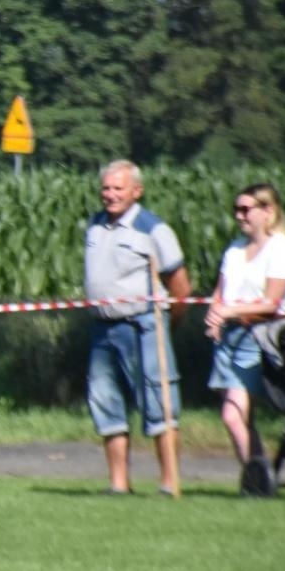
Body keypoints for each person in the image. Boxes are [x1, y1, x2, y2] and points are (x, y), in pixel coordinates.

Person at [83, 160, 192, 495]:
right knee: (105, 403)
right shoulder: (95, 225)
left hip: (143, 325)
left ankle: (169, 483)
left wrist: (164, 324)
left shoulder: (153, 229)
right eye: (106, 188)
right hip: (103, 327)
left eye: (118, 188)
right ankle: (118, 484)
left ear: (136, 191)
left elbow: (181, 288)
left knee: (159, 404)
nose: (110, 195)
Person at [203, 183, 285, 496]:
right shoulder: (234, 248)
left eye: (246, 209)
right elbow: (221, 290)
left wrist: (229, 311)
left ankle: (255, 479)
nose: (239, 215)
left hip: (259, 336)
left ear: (267, 212)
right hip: (229, 335)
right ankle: (258, 476)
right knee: (240, 417)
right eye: (237, 209)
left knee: (232, 415)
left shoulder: (280, 248)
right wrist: (215, 315)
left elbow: (271, 302)